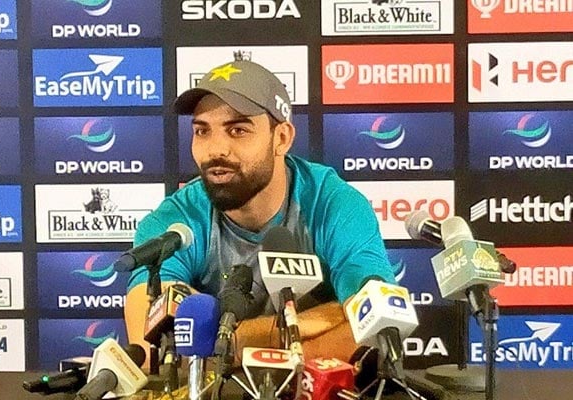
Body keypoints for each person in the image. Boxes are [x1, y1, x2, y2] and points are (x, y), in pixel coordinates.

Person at [124, 57, 395, 365]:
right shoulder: (174, 224)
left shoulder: (335, 206)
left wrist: (229, 340)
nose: (215, 149)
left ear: (281, 138)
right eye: (202, 131)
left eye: (238, 130)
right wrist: (306, 324)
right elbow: (156, 348)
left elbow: (380, 327)